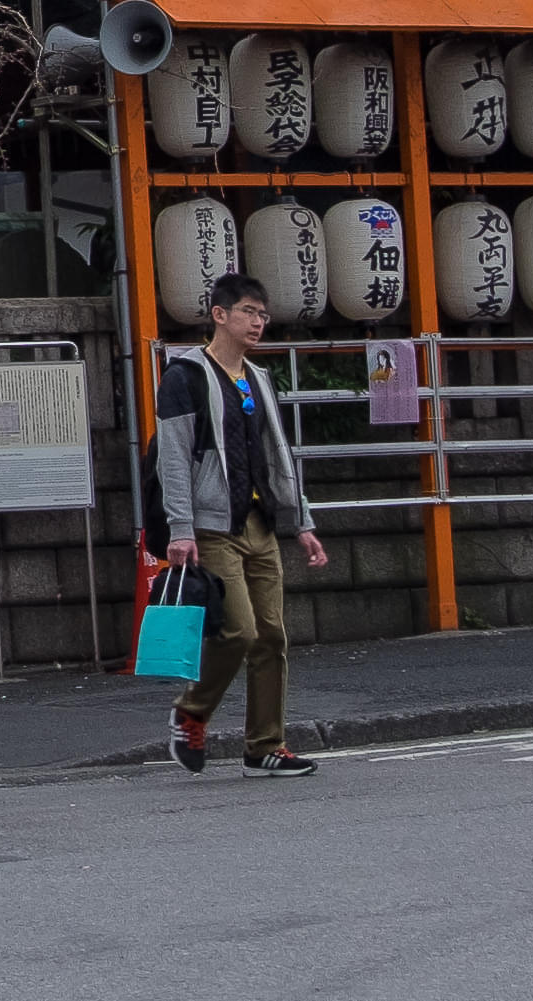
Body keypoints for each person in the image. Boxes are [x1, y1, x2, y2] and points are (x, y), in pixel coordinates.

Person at [153, 273, 329, 769]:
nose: (258, 322)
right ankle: (191, 712)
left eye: (263, 314)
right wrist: (181, 529)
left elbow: (277, 454)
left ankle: (265, 745)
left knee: (272, 635)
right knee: (239, 631)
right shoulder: (185, 376)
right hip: (212, 523)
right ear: (220, 314)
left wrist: (303, 522)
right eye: (249, 312)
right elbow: (173, 456)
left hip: (258, 521)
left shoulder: (258, 379)